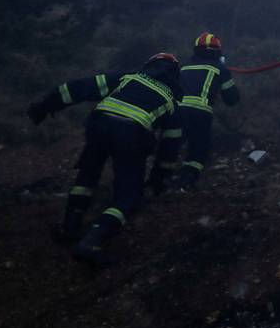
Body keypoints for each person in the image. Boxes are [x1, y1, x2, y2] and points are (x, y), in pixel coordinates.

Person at [28, 53, 184, 265]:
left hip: (99, 124)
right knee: (128, 196)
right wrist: (159, 178)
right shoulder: (171, 100)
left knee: (88, 174)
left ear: (149, 65)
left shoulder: (129, 77)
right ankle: (93, 240)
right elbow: (170, 145)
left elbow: (77, 88)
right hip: (132, 134)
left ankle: (69, 226)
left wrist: (44, 107)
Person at [152, 32, 240, 191]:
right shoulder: (220, 69)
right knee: (198, 148)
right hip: (200, 113)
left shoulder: (184, 67)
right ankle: (187, 180)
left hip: (177, 112)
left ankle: (159, 181)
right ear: (218, 52)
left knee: (172, 145)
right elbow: (232, 99)